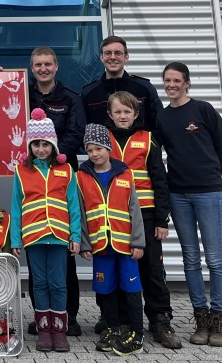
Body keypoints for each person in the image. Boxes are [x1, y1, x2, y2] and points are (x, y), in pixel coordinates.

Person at [155, 62, 222, 348]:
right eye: (167, 80)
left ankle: (219, 321)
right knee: (190, 259)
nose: (171, 85)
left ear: (186, 83)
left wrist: (210, 173)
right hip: (178, 194)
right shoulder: (162, 117)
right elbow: (158, 153)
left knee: (214, 259)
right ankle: (201, 320)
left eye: (176, 80)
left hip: (208, 192)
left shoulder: (203, 110)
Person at [106, 91, 181, 349]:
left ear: (136, 114)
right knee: (122, 269)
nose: (123, 116)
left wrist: (162, 219)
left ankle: (160, 320)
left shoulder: (148, 140)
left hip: (148, 216)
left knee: (152, 270)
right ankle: (124, 320)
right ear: (110, 115)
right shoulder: (103, 140)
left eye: (127, 111)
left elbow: (160, 181)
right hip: (115, 216)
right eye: (118, 112)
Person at [25, 46, 86, 336]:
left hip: (62, 175)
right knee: (38, 259)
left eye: (48, 64)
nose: (43, 68)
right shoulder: (21, 94)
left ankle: (68, 316)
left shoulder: (71, 98)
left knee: (64, 258)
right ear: (32, 67)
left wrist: (57, 155)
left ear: (56, 66)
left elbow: (76, 133)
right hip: (33, 176)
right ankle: (41, 318)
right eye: (38, 64)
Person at [11, 109, 81, 353]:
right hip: (34, 237)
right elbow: (16, 207)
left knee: (59, 283)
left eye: (45, 144)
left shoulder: (66, 170)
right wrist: (15, 238)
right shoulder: (22, 171)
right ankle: (43, 330)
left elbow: (74, 205)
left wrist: (76, 236)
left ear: (53, 145)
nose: (41, 149)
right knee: (39, 283)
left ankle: (59, 331)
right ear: (30, 146)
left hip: (60, 236)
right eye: (36, 144)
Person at [77, 123, 146, 356]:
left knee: (131, 288)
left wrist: (138, 241)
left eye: (99, 148)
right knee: (105, 289)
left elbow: (134, 210)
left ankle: (137, 333)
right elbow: (81, 214)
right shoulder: (81, 176)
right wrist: (85, 243)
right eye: (89, 150)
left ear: (108, 148)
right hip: (100, 246)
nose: (94, 154)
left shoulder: (125, 173)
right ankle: (112, 329)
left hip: (125, 245)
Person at [81, 36, 163, 129]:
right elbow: (82, 129)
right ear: (101, 57)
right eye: (108, 53)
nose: (112, 57)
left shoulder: (144, 88)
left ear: (126, 57)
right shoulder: (89, 93)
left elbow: (159, 123)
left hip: (138, 143)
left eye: (118, 53)